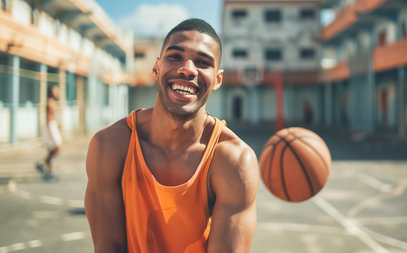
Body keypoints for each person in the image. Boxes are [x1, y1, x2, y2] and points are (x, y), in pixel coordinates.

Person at [84, 18, 260, 252]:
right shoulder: (110, 146)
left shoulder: (234, 161)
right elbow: (109, 246)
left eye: (203, 62)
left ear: (217, 80)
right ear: (156, 68)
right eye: (175, 56)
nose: (187, 69)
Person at [36, 85, 62, 181]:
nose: (57, 93)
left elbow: (52, 116)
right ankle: (42, 164)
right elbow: (48, 118)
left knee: (51, 149)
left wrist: (56, 124)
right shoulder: (49, 103)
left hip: (51, 125)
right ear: (51, 92)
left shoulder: (52, 102)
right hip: (50, 126)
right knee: (57, 148)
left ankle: (49, 172)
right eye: (56, 91)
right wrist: (51, 129)